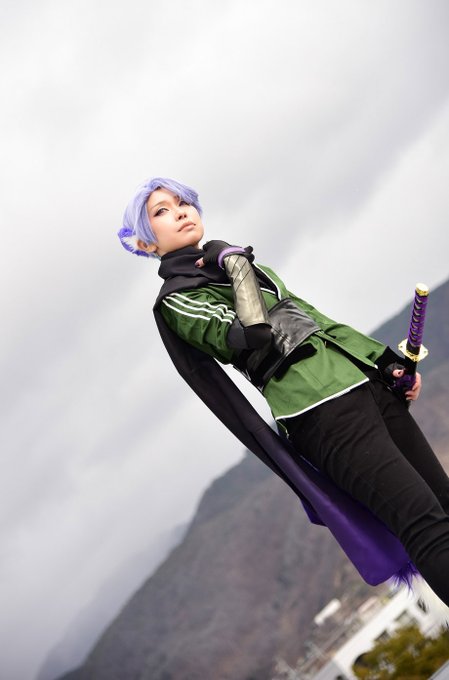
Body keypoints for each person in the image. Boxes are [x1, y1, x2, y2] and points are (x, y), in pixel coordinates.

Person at [118, 177, 449, 606]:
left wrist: (385, 364)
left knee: (443, 504)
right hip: (319, 412)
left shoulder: (234, 263)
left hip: (360, 384)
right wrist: (235, 263)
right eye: (161, 211)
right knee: (423, 523)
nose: (180, 211)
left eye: (184, 202)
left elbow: (315, 320)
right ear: (145, 243)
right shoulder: (177, 300)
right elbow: (253, 332)